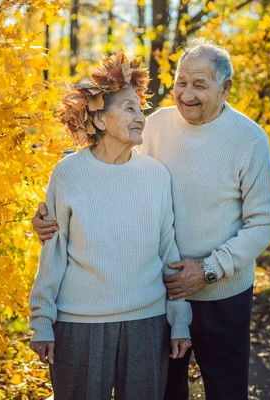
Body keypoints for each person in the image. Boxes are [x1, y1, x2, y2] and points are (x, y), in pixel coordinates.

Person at [33, 39, 270, 400]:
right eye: (181, 82)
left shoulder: (249, 140)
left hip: (222, 292)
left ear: (225, 88)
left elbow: (266, 221)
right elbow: (110, 173)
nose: (186, 94)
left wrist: (210, 269)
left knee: (226, 390)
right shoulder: (155, 125)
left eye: (199, 85)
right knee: (166, 391)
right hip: (162, 292)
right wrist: (48, 217)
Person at [28, 52, 192, 400]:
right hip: (79, 325)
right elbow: (53, 251)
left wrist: (179, 320)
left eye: (141, 109)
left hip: (147, 324)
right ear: (99, 119)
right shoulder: (68, 173)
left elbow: (168, 252)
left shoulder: (156, 175)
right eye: (129, 109)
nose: (141, 118)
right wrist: (41, 319)